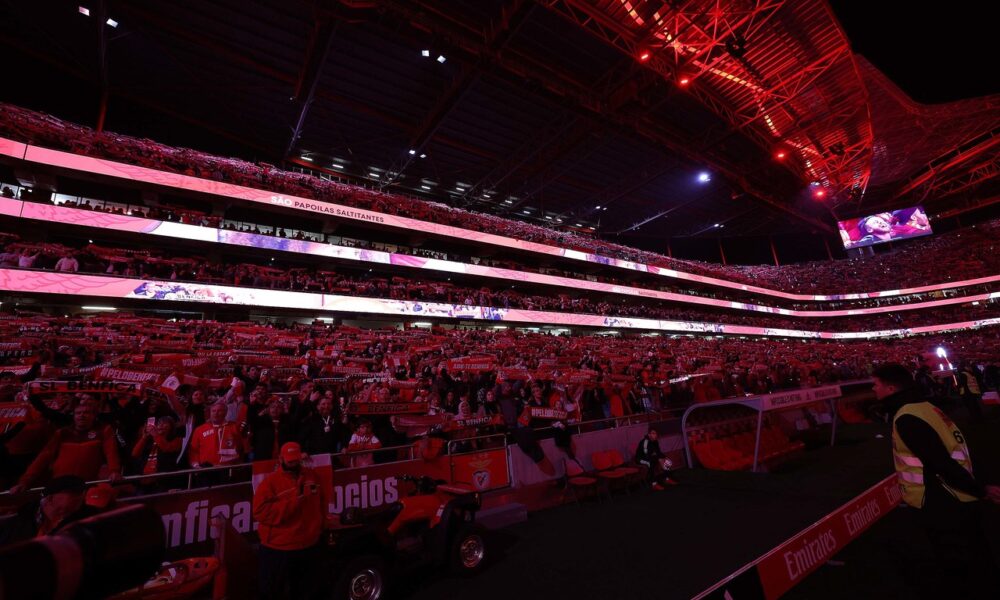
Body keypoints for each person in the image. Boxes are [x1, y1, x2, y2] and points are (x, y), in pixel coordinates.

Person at [872, 363, 1000, 598]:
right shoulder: (927, 407)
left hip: (941, 500)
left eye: (876, 384)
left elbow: (939, 461)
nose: (873, 389)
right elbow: (959, 447)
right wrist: (980, 484)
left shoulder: (907, 417)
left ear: (890, 388)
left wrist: (979, 488)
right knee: (977, 555)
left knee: (963, 566)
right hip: (959, 496)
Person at [252, 442, 332, 600]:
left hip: (308, 545)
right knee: (273, 592)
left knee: (306, 591)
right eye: (290, 461)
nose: (294, 463)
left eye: (296, 460)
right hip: (279, 549)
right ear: (281, 459)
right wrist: (294, 502)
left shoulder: (312, 476)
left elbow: (321, 502)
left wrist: (322, 525)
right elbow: (259, 512)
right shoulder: (270, 483)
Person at [10, 404, 122, 494]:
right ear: (74, 416)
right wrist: (25, 481)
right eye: (78, 413)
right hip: (59, 485)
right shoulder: (62, 433)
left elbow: (111, 452)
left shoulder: (103, 431)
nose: (82, 415)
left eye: (86, 413)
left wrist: (114, 471)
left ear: (94, 416)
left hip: (85, 484)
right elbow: (43, 457)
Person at [0, 475, 98, 546]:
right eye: (74, 494)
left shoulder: (83, 518)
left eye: (81, 494)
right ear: (50, 498)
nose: (81, 498)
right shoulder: (18, 522)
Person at [188, 402, 244, 468]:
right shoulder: (199, 430)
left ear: (226, 413)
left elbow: (241, 448)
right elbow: (194, 450)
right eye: (213, 411)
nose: (216, 413)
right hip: (205, 470)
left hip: (230, 469)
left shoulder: (234, 427)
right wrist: (196, 465)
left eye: (219, 411)